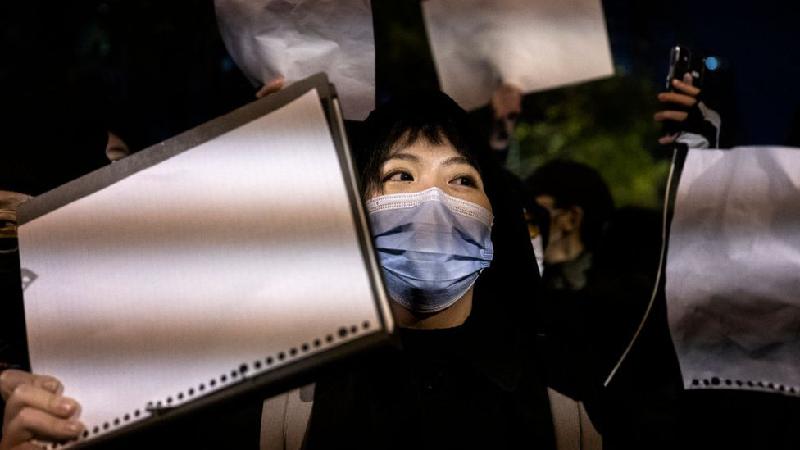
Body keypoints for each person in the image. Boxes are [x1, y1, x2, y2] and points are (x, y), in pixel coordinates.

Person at [0, 91, 554, 449]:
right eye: (400, 177)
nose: (431, 201)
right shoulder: (259, 402)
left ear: (494, 220)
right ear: (351, 211)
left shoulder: (564, 412)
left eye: (461, 180)